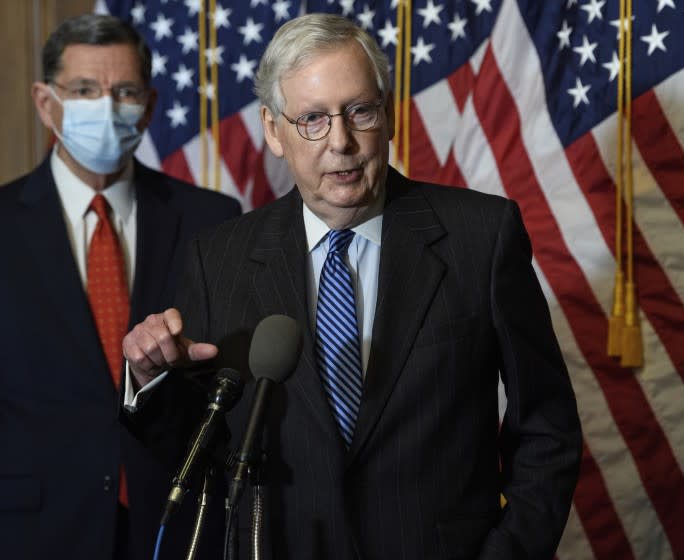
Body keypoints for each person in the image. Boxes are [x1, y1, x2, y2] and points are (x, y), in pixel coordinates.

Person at [122, 13, 581, 560]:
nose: (340, 142)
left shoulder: (481, 237)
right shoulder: (218, 258)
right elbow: (195, 454)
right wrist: (148, 380)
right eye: (312, 119)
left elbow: (547, 429)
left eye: (359, 111)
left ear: (385, 117)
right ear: (274, 130)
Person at [0, 13, 241, 560]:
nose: (105, 108)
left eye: (124, 91)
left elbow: (225, 386)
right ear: (45, 102)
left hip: (175, 523)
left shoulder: (213, 219)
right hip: (31, 530)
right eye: (84, 90)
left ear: (150, 105)